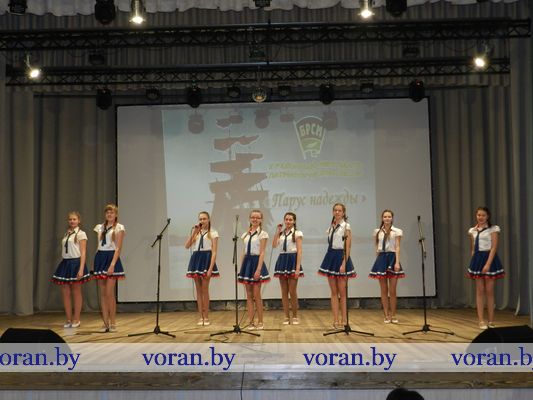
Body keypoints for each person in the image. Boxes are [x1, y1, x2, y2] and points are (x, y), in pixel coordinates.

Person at [318, 203, 356, 328]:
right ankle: (335, 319)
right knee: (333, 292)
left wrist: (344, 263)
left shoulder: (346, 226)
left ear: (343, 213)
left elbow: (348, 247)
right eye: (335, 210)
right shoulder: (331, 226)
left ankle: (344, 319)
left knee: (342, 292)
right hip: (330, 257)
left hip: (341, 256)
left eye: (339, 210)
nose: (337, 212)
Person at [52, 211, 91, 328]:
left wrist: (81, 268)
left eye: (74, 219)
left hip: (76, 263)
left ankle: (76, 319)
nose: (72, 221)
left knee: (76, 291)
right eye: (70, 219)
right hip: (65, 263)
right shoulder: (66, 233)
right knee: (65, 292)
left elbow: (83, 252)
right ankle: (68, 319)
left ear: (79, 221)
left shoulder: (81, 234)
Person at [467, 206, 504, 329]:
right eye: (479, 215)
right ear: (476, 216)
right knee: (479, 291)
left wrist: (488, 264)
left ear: (487, 216)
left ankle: (491, 321)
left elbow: (494, 247)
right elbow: (473, 249)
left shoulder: (493, 229)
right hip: (477, 260)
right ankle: (481, 321)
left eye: (483, 215)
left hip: (489, 259)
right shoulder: (472, 231)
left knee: (489, 291)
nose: (481, 217)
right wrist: (473, 263)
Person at [93, 204, 125, 332]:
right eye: (107, 212)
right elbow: (98, 245)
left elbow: (118, 248)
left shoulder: (119, 227)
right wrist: (96, 262)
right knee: (102, 294)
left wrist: (112, 265)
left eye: (112, 212)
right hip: (100, 258)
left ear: (116, 214)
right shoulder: (100, 227)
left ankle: (113, 322)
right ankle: (105, 323)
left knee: (109, 293)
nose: (109, 214)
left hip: (112, 258)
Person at [369, 209, 405, 324]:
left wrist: (397, 262)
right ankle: (386, 315)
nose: (387, 218)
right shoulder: (377, 232)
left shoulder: (397, 231)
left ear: (392, 218)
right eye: (385, 216)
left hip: (392, 258)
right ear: (382, 218)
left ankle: (393, 314)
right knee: (383, 290)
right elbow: (377, 247)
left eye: (389, 216)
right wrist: (378, 261)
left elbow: (397, 247)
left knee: (392, 290)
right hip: (382, 259)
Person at [185, 211, 219, 326]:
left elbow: (214, 252)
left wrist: (210, 268)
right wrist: (194, 232)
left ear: (208, 220)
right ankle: (200, 317)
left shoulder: (213, 233)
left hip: (206, 260)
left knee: (205, 289)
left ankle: (206, 316)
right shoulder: (197, 233)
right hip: (196, 259)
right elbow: (187, 246)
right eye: (200, 219)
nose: (202, 221)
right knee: (198, 290)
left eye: (204, 219)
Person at [238, 209, 270, 330]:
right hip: (247, 263)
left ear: (261, 219)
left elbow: (262, 252)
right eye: (253, 217)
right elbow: (244, 251)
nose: (255, 219)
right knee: (249, 295)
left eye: (257, 217)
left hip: (256, 262)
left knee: (257, 295)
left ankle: (260, 321)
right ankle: (250, 322)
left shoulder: (263, 234)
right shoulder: (245, 234)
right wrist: (242, 267)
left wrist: (258, 269)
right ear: (250, 218)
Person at [272, 212, 303, 325]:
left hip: (292, 260)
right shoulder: (281, 234)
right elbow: (274, 245)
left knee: (292, 291)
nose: (288, 221)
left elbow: (299, 250)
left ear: (294, 221)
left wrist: (297, 267)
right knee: (284, 291)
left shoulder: (297, 233)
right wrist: (277, 231)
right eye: (286, 219)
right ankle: (286, 316)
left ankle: (295, 316)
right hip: (282, 260)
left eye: (290, 220)